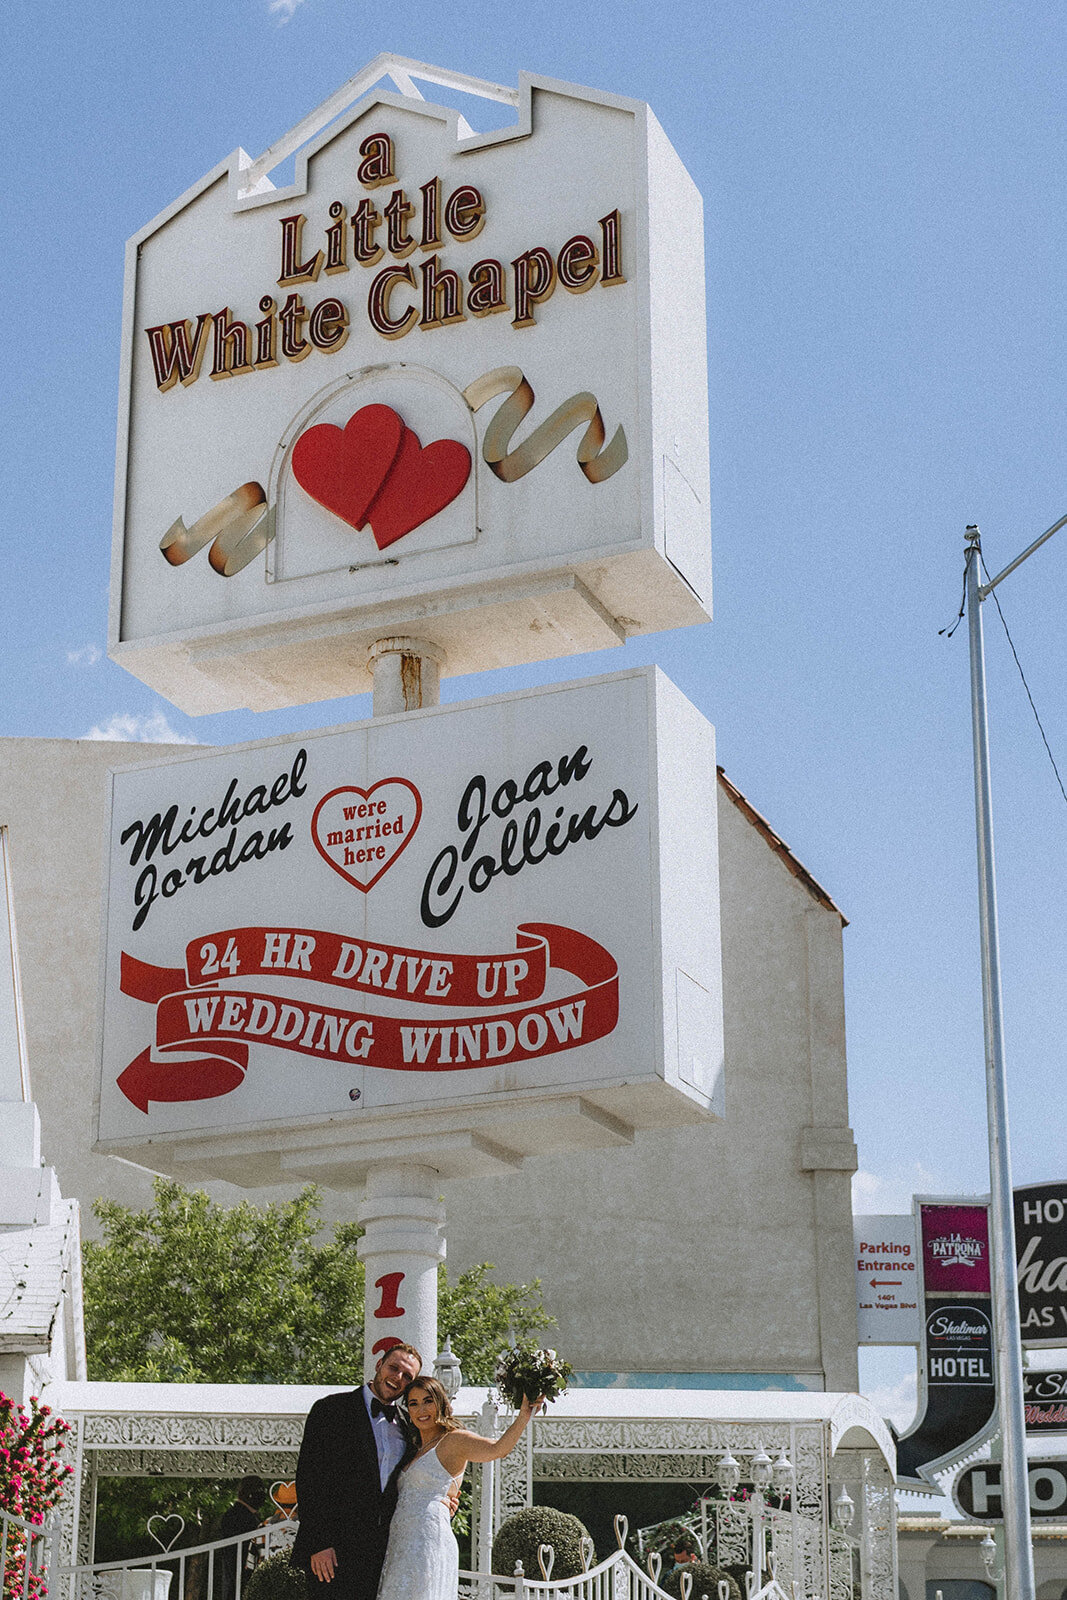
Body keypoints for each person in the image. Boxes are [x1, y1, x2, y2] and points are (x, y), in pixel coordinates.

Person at [376, 1375, 541, 1600]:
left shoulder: (453, 1441)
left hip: (427, 1540)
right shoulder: (414, 1449)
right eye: (413, 1403)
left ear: (441, 1403)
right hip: (400, 1543)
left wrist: (523, 1417)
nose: (421, 1409)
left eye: (428, 1401)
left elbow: (497, 1449)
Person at [291, 1343, 423, 1600]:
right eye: (394, 1368)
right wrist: (319, 1543)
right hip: (333, 1552)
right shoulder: (330, 1410)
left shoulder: (410, 1426)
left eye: (408, 1376)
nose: (398, 1378)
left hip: (385, 1554)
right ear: (379, 1366)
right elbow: (309, 1479)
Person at [213, 1476, 266, 1600]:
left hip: (236, 1577)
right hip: (241, 1576)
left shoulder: (237, 1514)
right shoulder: (241, 1516)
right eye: (260, 1491)